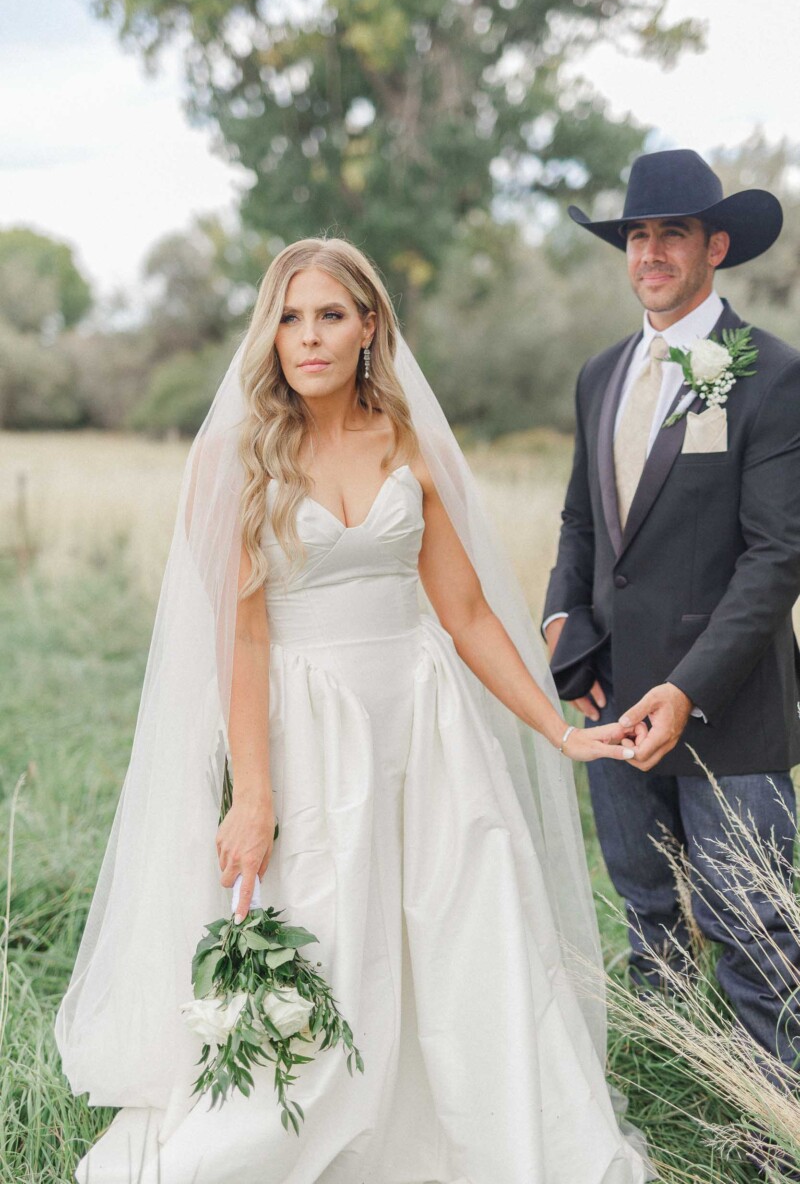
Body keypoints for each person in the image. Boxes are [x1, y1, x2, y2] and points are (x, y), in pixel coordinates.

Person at [56, 238, 651, 1183]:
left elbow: (462, 613)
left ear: (371, 326)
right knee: (332, 944)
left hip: (426, 724)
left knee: (467, 930)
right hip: (310, 732)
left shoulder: (402, 438)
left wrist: (558, 726)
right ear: (270, 332)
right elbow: (241, 641)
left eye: (331, 315)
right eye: (290, 317)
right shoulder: (232, 457)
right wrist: (253, 795)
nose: (309, 337)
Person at [544, 148, 800, 1071]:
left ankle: (779, 1118)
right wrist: (564, 638)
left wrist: (686, 689)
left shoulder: (768, 373)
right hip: (611, 701)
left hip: (726, 708)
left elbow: (778, 557)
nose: (650, 252)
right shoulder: (599, 374)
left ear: (715, 246)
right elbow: (582, 523)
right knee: (648, 911)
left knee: (754, 921)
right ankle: (671, 1092)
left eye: (673, 234)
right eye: (637, 235)